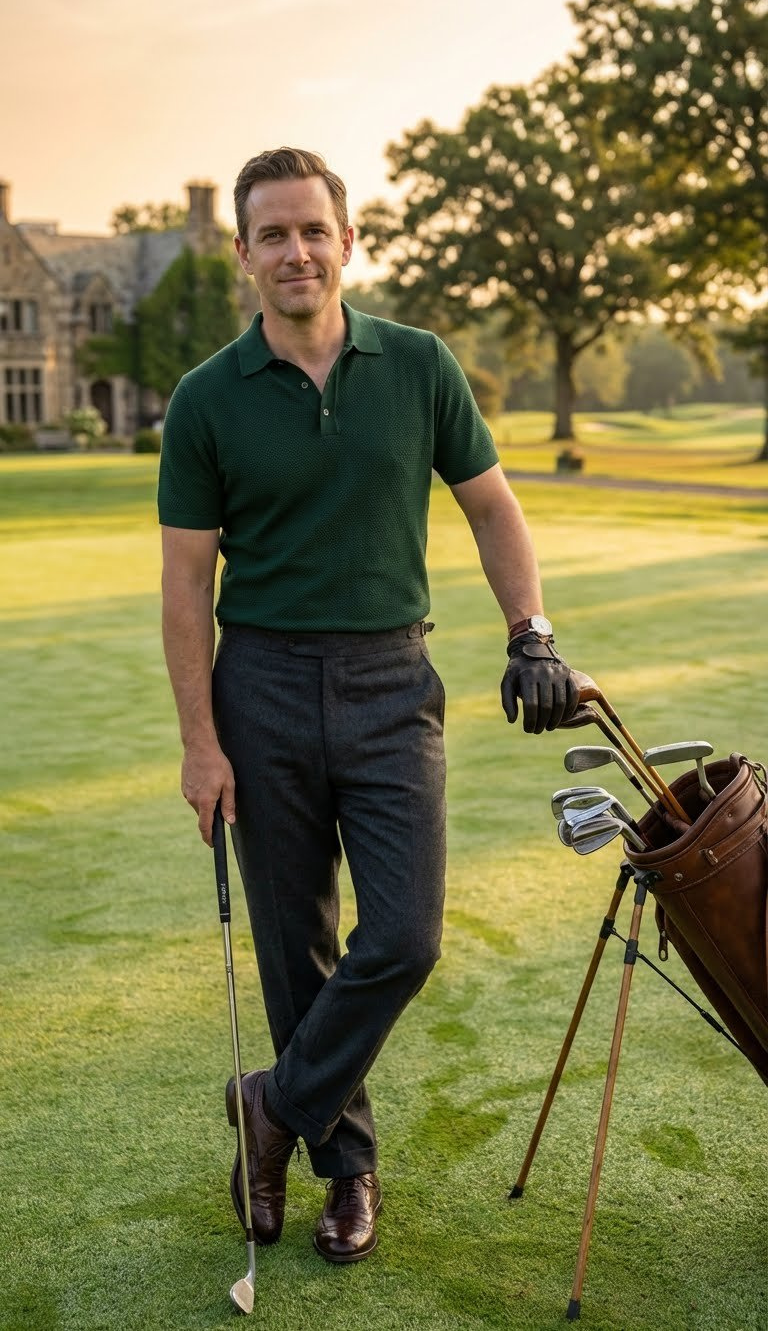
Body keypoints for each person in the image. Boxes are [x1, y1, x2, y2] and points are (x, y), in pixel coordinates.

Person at [158, 147, 580, 1264]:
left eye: (313, 230)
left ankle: (272, 1106)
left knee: (403, 935)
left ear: (349, 242)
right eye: (272, 235)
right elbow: (186, 586)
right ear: (243, 254)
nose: (295, 250)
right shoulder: (206, 399)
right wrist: (201, 746)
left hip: (397, 685)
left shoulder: (422, 364)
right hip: (262, 688)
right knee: (297, 950)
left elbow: (492, 507)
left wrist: (530, 630)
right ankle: (348, 1174)